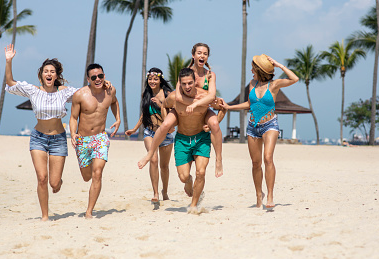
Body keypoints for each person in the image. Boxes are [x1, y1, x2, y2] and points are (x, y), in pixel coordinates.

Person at [4, 44, 110, 221]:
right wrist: (8, 61)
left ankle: (58, 181)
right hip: (38, 138)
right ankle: (45, 216)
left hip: (59, 140)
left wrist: (104, 83)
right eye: (46, 71)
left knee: (54, 183)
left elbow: (89, 90)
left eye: (52, 71)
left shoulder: (65, 92)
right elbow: (10, 83)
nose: (49, 74)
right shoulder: (33, 90)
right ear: (41, 74)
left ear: (56, 75)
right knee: (41, 178)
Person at [138, 68, 226, 214]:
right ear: (180, 83)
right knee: (184, 177)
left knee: (201, 172)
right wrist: (169, 122)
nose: (187, 87)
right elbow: (164, 106)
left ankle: (193, 204)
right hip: (182, 140)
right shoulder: (174, 97)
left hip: (201, 139)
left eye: (190, 83)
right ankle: (188, 181)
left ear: (195, 82)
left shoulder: (204, 96)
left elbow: (222, 108)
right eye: (184, 84)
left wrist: (211, 123)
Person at [220, 54, 299, 209]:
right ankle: (258, 195)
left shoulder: (275, 85)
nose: (251, 70)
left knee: (268, 158)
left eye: (253, 68)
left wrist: (278, 64)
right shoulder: (252, 84)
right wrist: (229, 107)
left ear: (260, 70)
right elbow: (249, 104)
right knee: (256, 163)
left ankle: (270, 195)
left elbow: (294, 79)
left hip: (270, 125)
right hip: (252, 126)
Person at [70, 63, 120, 219]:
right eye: (94, 77)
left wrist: (118, 119)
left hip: (100, 138)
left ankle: (89, 211)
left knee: (97, 173)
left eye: (100, 76)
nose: (98, 79)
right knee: (87, 177)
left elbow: (114, 102)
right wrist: (72, 133)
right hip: (83, 140)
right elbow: (73, 117)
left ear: (104, 76)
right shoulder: (80, 95)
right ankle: (89, 167)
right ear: (88, 79)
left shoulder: (110, 91)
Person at [126, 67, 174, 203]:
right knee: (153, 159)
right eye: (150, 78)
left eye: (155, 79)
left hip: (165, 133)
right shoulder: (146, 94)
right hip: (150, 132)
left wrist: (161, 104)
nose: (152, 81)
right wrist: (134, 129)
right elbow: (144, 115)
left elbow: (172, 111)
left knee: (164, 166)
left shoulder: (167, 93)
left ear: (160, 80)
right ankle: (155, 193)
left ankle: (165, 191)